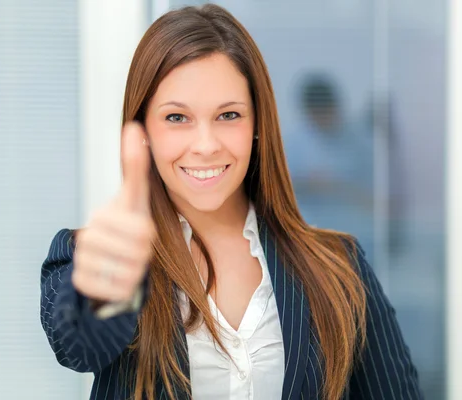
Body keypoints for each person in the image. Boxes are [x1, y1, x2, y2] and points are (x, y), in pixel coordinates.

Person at [40, 4, 422, 400]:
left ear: (257, 126)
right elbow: (79, 347)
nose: (206, 145)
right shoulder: (85, 254)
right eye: (176, 118)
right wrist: (107, 287)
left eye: (228, 115)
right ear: (143, 131)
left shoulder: (339, 267)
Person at [284, 74, 376, 261]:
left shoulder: (360, 140)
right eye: (317, 115)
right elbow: (280, 188)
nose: (323, 120)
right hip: (310, 235)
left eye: (327, 113)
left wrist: (340, 188)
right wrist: (310, 184)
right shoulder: (294, 142)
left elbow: (375, 193)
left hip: (356, 233)